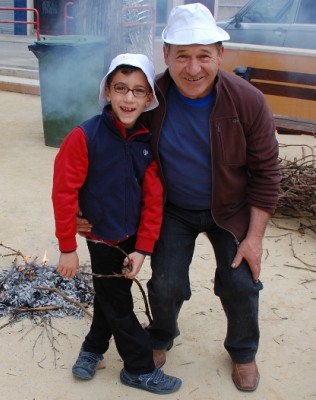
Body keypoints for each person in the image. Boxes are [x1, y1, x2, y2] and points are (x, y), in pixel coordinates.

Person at [78, 4, 281, 393]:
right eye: (182, 56)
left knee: (240, 282)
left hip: (230, 209)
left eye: (204, 55)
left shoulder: (248, 101)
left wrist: (254, 237)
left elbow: (267, 173)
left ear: (220, 55)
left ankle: (242, 350)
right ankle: (161, 335)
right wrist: (83, 206)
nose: (193, 68)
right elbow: (107, 147)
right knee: (167, 283)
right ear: (166, 55)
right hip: (173, 209)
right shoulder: (151, 99)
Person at [52, 53, 181, 395]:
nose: (128, 98)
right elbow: (64, 192)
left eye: (138, 91)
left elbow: (154, 201)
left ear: (149, 98)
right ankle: (138, 368)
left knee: (111, 298)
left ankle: (93, 347)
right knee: (119, 306)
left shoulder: (146, 142)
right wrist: (68, 247)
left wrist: (143, 248)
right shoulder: (85, 136)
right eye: (121, 88)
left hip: (133, 238)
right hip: (101, 239)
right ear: (107, 91)